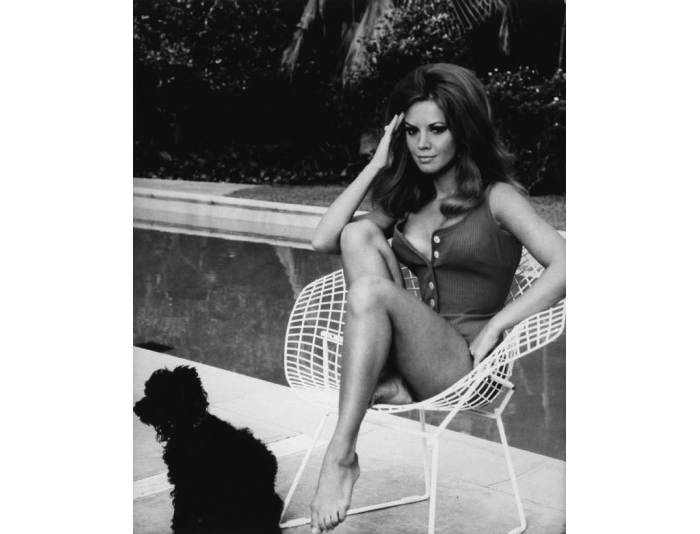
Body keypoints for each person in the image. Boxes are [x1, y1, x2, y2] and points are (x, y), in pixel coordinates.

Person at [308, 63, 565, 533]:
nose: (422, 143)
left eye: (436, 130)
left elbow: (570, 263)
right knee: (357, 234)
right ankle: (389, 381)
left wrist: (498, 323)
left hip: (469, 365)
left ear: (462, 131)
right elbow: (324, 239)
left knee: (367, 283)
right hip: (416, 353)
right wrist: (376, 164)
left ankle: (341, 453)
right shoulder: (409, 198)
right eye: (411, 131)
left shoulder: (497, 198)